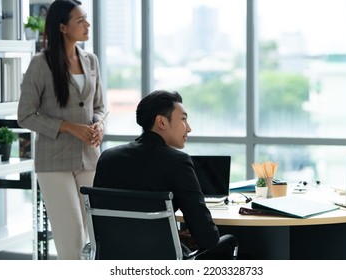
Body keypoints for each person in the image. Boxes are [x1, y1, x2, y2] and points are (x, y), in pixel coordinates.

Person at [93, 90, 238, 259]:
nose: (189, 128)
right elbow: (207, 238)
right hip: (163, 259)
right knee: (230, 242)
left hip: (116, 257)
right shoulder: (177, 162)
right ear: (161, 122)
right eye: (183, 119)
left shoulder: (108, 158)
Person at [18, 0, 105, 260]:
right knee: (72, 240)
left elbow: (99, 105)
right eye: (80, 20)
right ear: (63, 28)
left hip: (89, 158)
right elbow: (25, 115)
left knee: (98, 233)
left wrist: (99, 124)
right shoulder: (40, 64)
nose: (87, 24)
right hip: (54, 162)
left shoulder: (91, 61)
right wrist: (67, 127)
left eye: (86, 18)